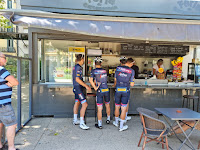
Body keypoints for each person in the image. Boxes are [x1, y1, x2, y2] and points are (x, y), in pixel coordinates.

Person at [0, 52, 19, 150]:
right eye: (4, 57)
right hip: (3, 103)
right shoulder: (1, 70)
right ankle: (11, 148)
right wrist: (11, 84)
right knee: (12, 124)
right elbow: (15, 82)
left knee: (0, 124)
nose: (5, 60)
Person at [113, 56, 135, 131]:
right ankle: (121, 126)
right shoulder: (131, 71)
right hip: (126, 90)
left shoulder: (118, 68)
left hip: (118, 89)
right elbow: (132, 84)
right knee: (123, 108)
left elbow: (115, 79)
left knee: (117, 107)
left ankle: (116, 122)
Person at [89, 57, 110, 129]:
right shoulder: (104, 71)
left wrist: (95, 87)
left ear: (95, 63)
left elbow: (91, 80)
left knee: (100, 108)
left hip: (100, 91)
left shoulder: (93, 71)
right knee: (107, 105)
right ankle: (108, 119)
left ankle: (100, 124)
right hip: (106, 90)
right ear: (101, 63)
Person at [72, 54, 91, 130]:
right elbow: (77, 79)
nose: (84, 61)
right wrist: (86, 86)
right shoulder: (78, 67)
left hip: (76, 88)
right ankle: (82, 123)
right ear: (82, 59)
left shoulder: (75, 67)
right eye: (83, 60)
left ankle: (75, 119)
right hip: (78, 88)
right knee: (85, 104)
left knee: (77, 103)